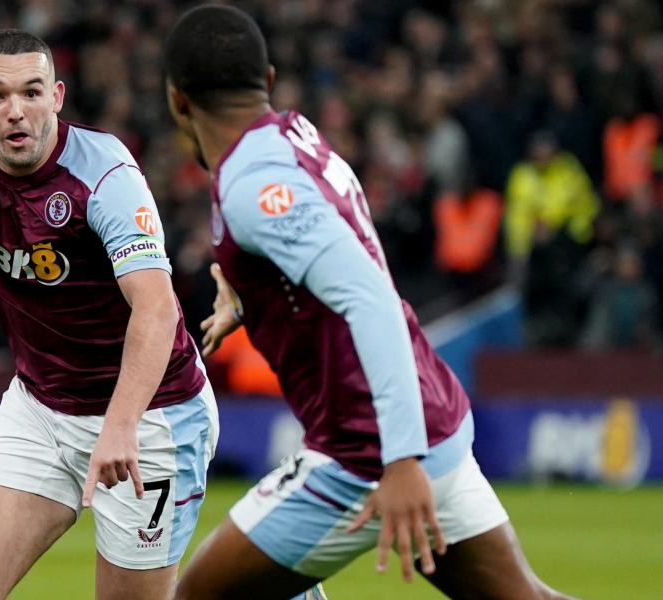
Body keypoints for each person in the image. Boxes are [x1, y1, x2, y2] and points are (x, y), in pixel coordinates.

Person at [163, 6, 574, 599]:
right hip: (430, 418)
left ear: (178, 102)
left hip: (368, 451)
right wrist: (250, 296)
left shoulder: (254, 184)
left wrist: (400, 461)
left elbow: (368, 296)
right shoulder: (293, 136)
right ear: (270, 80)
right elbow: (333, 256)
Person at [0, 30, 218, 600]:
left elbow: (157, 306)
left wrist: (121, 424)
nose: (16, 112)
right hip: (42, 405)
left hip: (148, 413)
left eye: (32, 92)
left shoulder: (106, 174)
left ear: (57, 97)